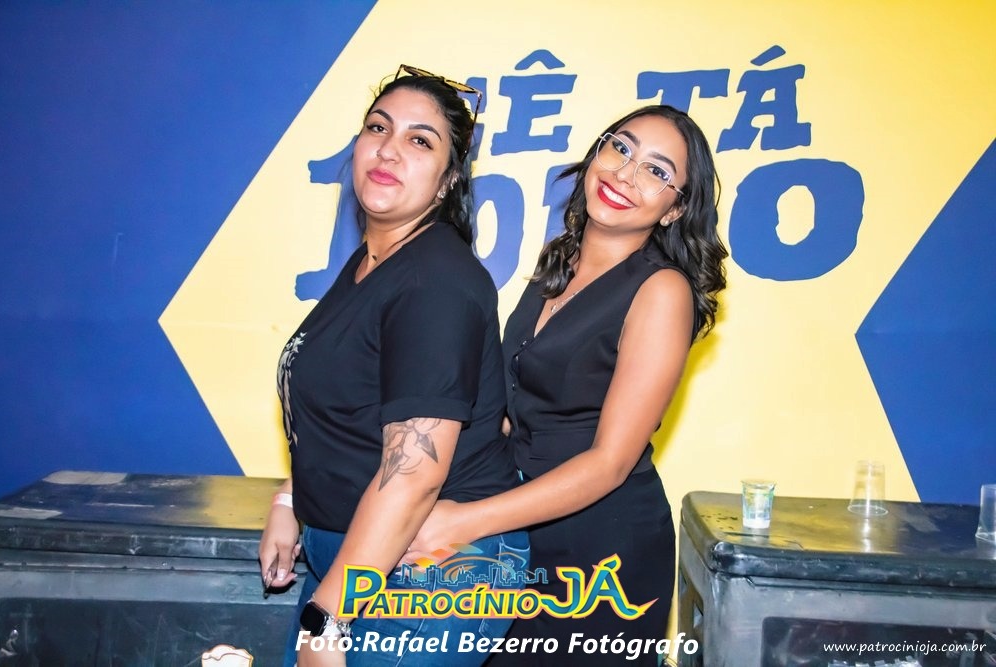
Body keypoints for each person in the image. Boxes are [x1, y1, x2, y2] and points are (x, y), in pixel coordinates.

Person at [407, 104, 727, 666]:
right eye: (620, 147)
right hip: (519, 532)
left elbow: (609, 463)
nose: (625, 173)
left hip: (603, 552)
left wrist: (462, 521)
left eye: (656, 171)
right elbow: (507, 412)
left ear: (675, 208)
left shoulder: (662, 290)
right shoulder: (559, 264)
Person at [259, 65, 529, 667]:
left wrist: (327, 619)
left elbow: (414, 474)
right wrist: (290, 502)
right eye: (378, 127)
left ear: (447, 181)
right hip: (363, 556)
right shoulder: (373, 261)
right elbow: (351, 410)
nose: (389, 149)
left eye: (420, 140)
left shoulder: (434, 280)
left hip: (428, 570)